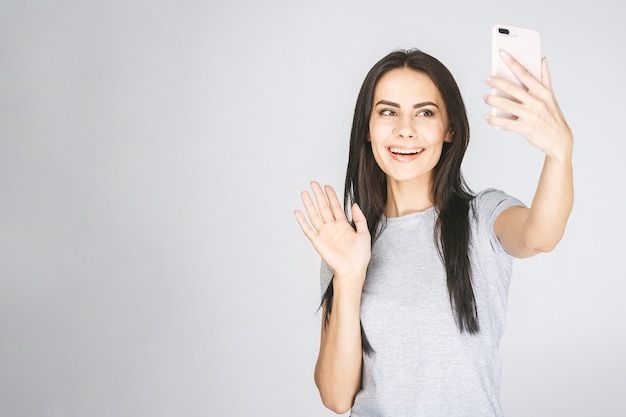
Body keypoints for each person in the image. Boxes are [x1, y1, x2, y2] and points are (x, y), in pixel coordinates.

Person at [294, 48, 573, 417]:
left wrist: (559, 152)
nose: (405, 129)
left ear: (449, 129)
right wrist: (348, 277)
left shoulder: (482, 217)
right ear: (367, 128)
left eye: (425, 112)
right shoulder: (348, 242)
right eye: (387, 111)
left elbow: (541, 235)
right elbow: (336, 396)